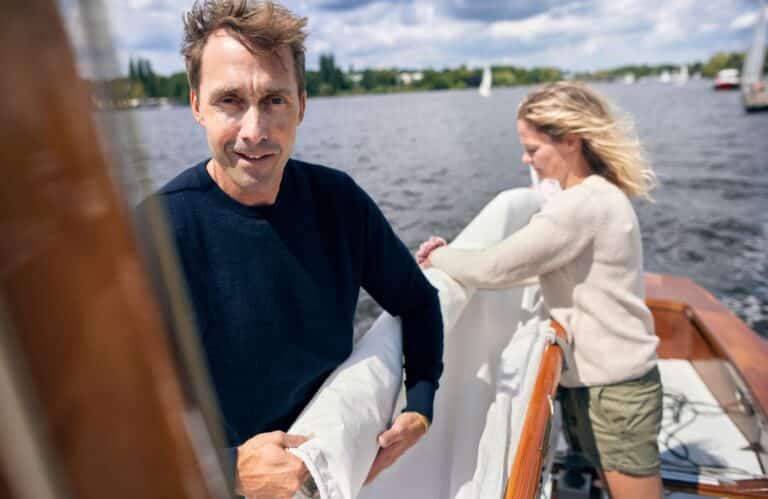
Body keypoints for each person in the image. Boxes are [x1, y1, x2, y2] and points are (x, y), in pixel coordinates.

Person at [143, 1, 444, 497]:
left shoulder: (338, 201)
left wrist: (421, 404)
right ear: (196, 106)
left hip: (334, 473)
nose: (254, 131)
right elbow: (105, 421)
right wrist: (229, 469)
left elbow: (416, 300)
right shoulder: (155, 233)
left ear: (301, 104)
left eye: (274, 100)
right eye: (230, 100)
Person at [417, 82, 663, 499]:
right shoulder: (598, 194)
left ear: (570, 141)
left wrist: (438, 255)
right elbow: (538, 269)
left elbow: (495, 268)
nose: (525, 159)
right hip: (601, 383)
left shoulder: (579, 205)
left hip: (616, 391)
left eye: (532, 149)